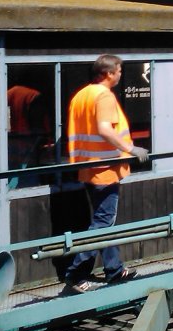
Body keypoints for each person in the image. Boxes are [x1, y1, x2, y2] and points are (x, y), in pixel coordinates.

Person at [62, 54, 149, 294]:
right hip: (105, 168)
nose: (121, 75)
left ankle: (114, 269)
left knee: (103, 220)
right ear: (109, 73)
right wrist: (131, 149)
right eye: (119, 71)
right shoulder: (103, 96)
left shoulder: (81, 95)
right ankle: (76, 273)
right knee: (103, 222)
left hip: (88, 167)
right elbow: (103, 129)